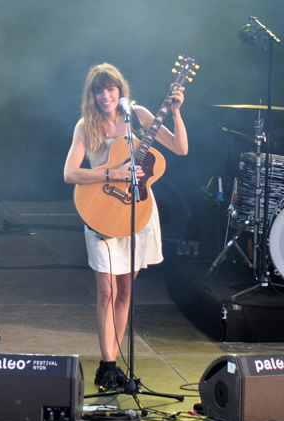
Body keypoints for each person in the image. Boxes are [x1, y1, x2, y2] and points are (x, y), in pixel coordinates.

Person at [63, 63, 188, 391]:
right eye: (99, 91)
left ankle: (115, 362)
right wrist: (112, 173)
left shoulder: (138, 115)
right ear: (91, 95)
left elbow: (180, 148)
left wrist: (176, 112)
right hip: (101, 209)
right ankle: (106, 364)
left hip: (136, 211)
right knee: (106, 291)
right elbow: (70, 173)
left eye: (111, 89)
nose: (105, 96)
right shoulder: (85, 126)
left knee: (126, 292)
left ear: (120, 90)